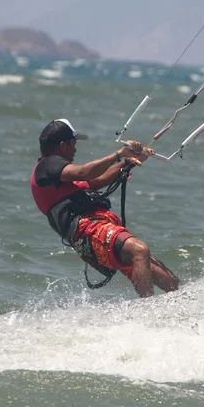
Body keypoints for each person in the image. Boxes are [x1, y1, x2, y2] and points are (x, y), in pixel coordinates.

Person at [30, 118, 179, 298]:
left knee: (168, 280)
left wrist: (127, 162)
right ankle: (148, 314)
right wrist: (119, 154)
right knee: (139, 250)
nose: (75, 149)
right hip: (88, 230)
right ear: (62, 145)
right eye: (73, 144)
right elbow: (84, 172)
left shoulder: (60, 177)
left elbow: (98, 180)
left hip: (99, 227)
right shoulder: (48, 165)